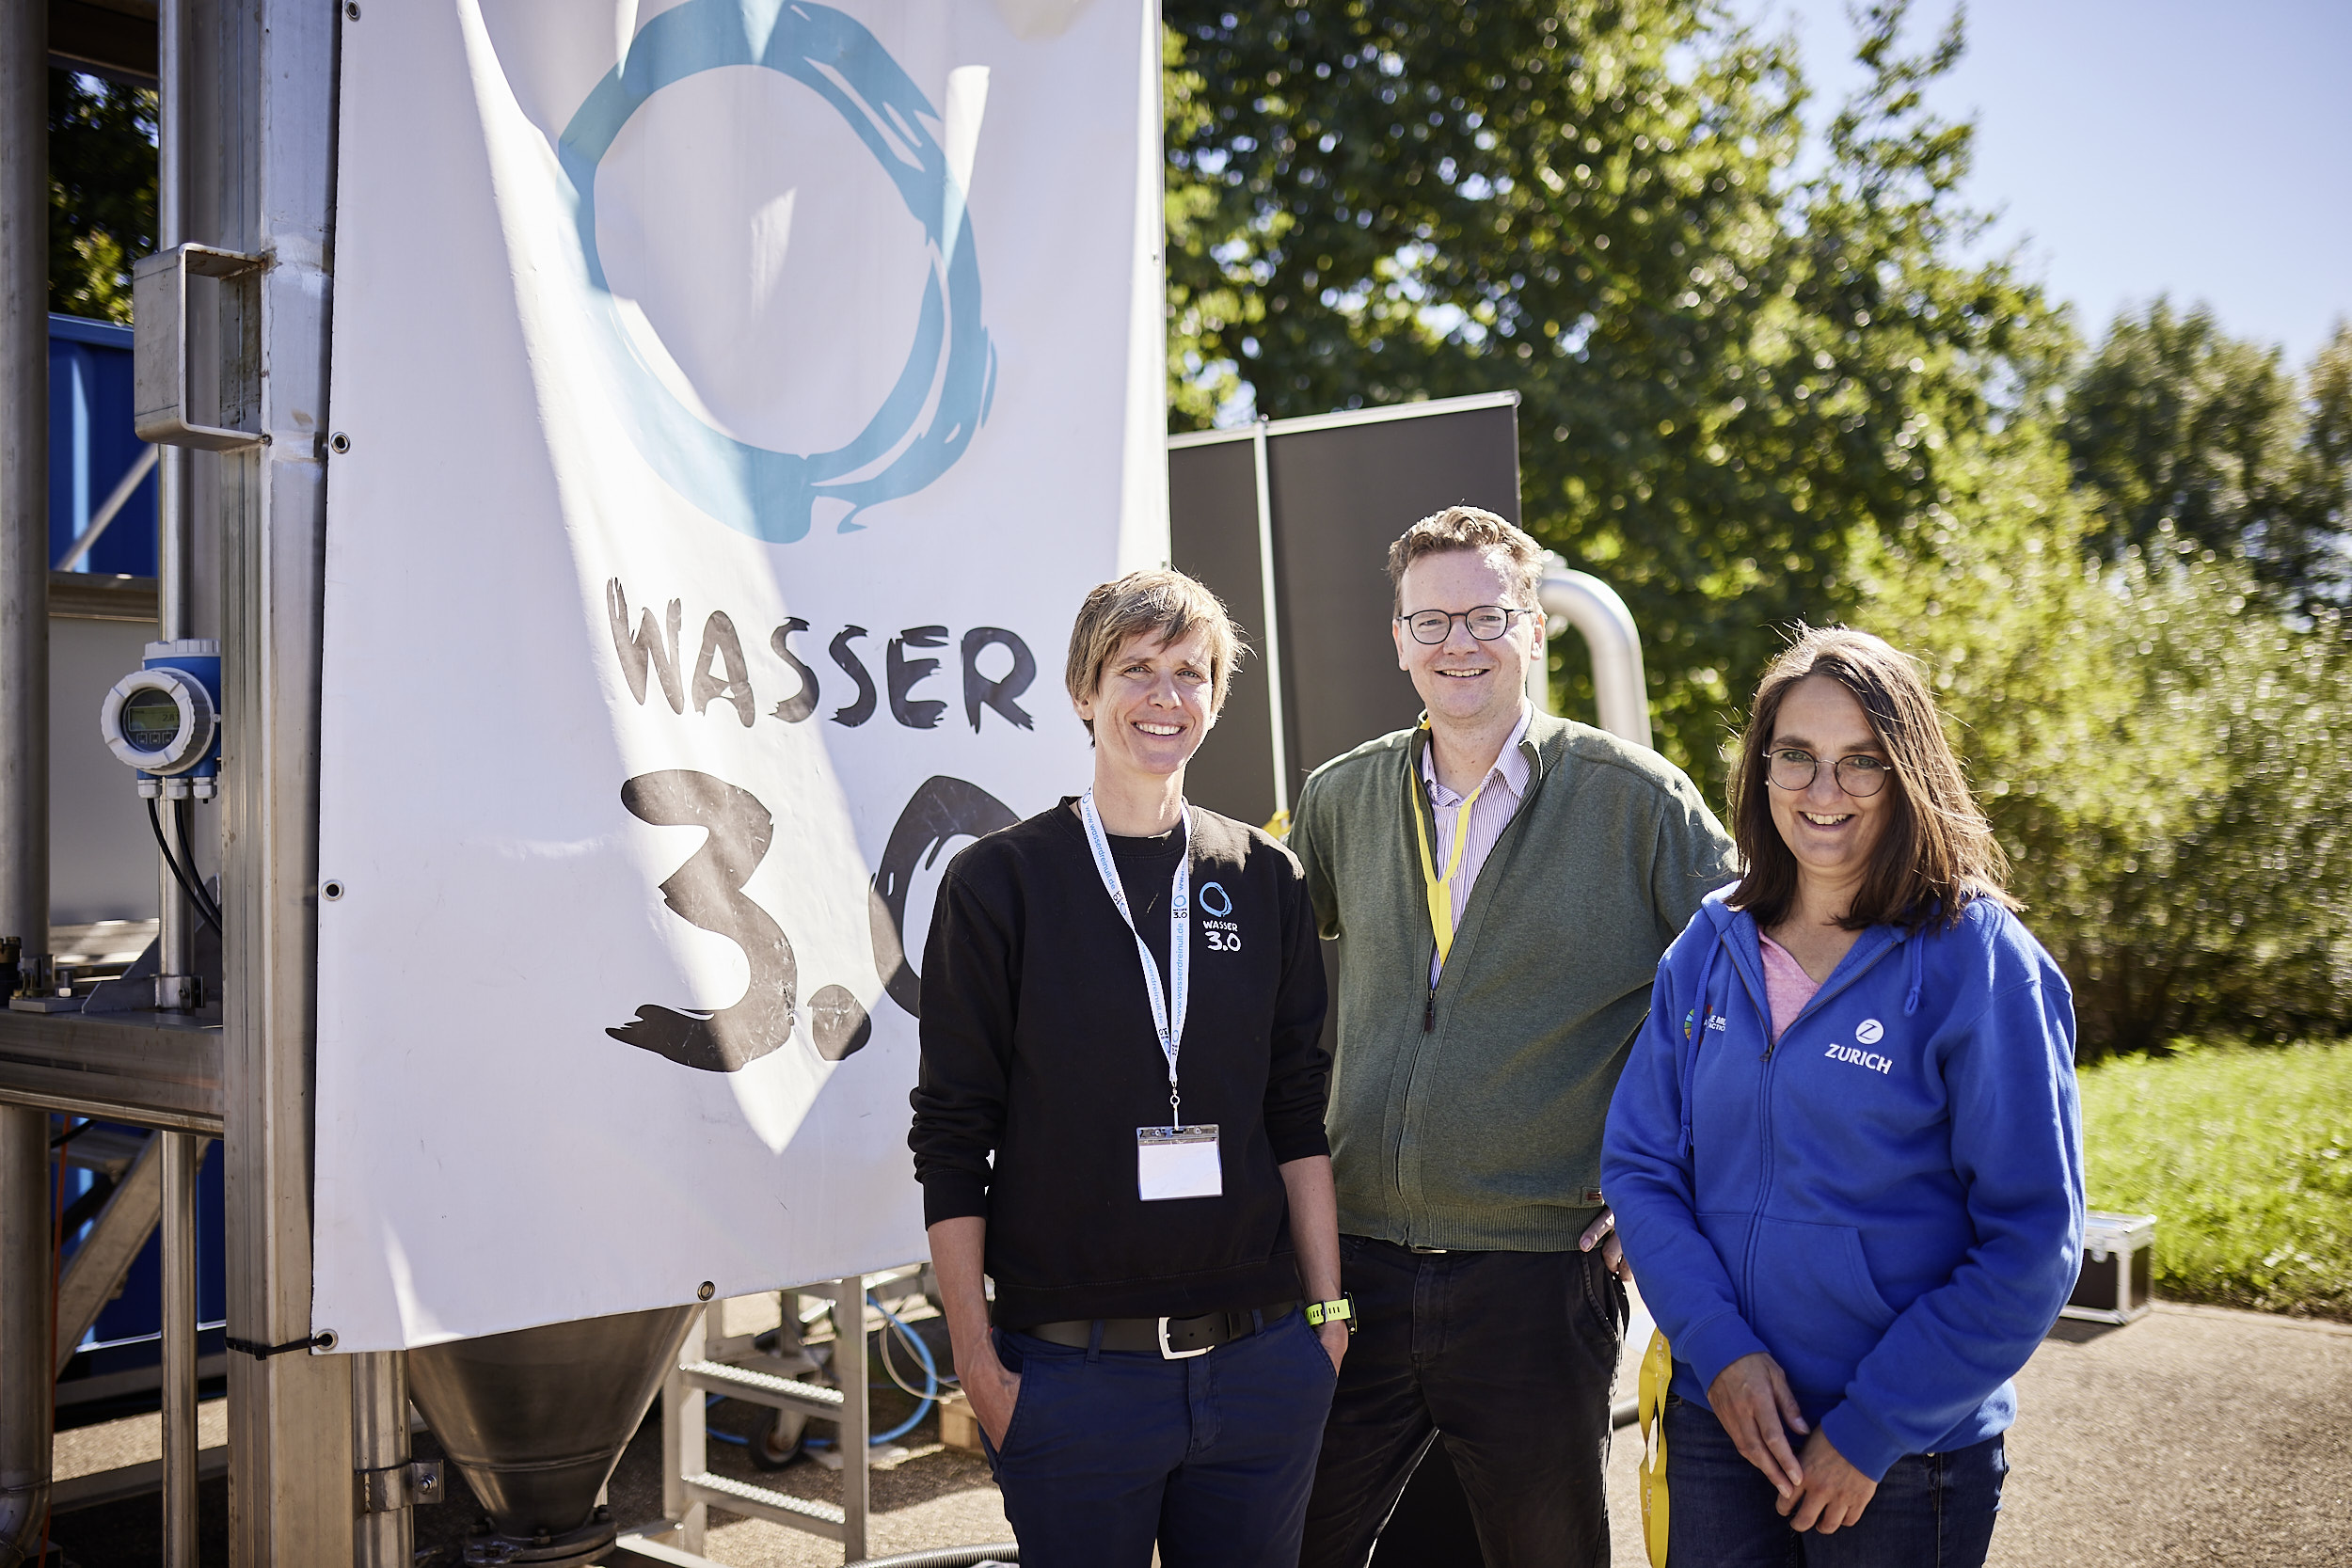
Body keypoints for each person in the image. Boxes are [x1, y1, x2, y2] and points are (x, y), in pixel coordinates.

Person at [1289, 506, 1737, 1567]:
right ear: (1396, 638)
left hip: (1539, 1273)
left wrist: (1670, 1177)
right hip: (1362, 1259)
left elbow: (1754, 988)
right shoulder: (1340, 795)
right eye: (1430, 619)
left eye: (1486, 614)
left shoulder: (1636, 798)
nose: (1458, 642)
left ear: (1532, 627)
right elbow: (1244, 974)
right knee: (1292, 1538)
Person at [1601, 626, 2086, 1566]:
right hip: (1720, 1421)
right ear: (1762, 768)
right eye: (1797, 756)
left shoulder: (1977, 960)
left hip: (1904, 1452)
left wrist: (1873, 1424)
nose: (1823, 792)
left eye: (1859, 762)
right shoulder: (1708, 944)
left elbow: (2031, 1239)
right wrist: (1722, 1352)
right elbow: (1641, 1164)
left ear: (1907, 772)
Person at [908, 568, 1344, 1568]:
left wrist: (1323, 1321)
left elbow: (1295, 1109)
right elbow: (950, 1132)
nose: (1164, 695)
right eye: (1135, 669)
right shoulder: (1000, 882)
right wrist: (976, 1361)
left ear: (1216, 697)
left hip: (1259, 1368)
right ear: (1082, 692)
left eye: (1189, 672)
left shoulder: (1263, 876)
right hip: (1073, 1379)